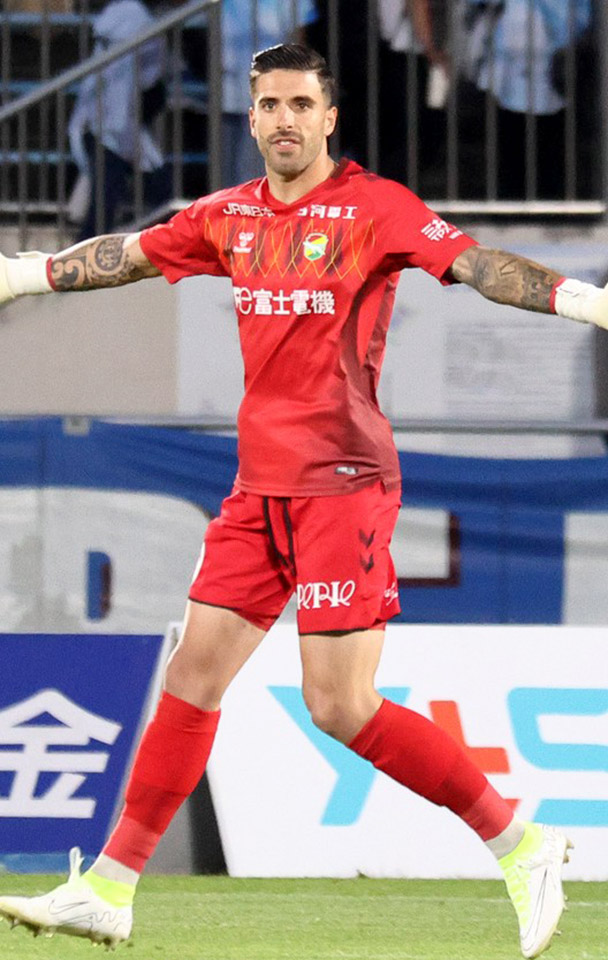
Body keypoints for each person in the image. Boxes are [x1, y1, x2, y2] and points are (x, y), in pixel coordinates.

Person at [1, 41, 607, 959]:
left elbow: (476, 266)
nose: (284, 120)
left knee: (340, 706)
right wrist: (24, 274)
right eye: (269, 105)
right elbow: (129, 256)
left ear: (330, 118)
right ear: (251, 118)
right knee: (192, 678)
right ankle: (111, 888)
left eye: (300, 104)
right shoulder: (230, 216)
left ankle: (520, 844)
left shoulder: (374, 209)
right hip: (258, 491)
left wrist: (585, 302)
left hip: (344, 486)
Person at [68, 0, 171, 240]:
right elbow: (150, 77)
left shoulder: (114, 28)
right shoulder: (138, 23)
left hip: (110, 123)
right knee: (105, 208)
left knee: (157, 191)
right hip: (110, 125)